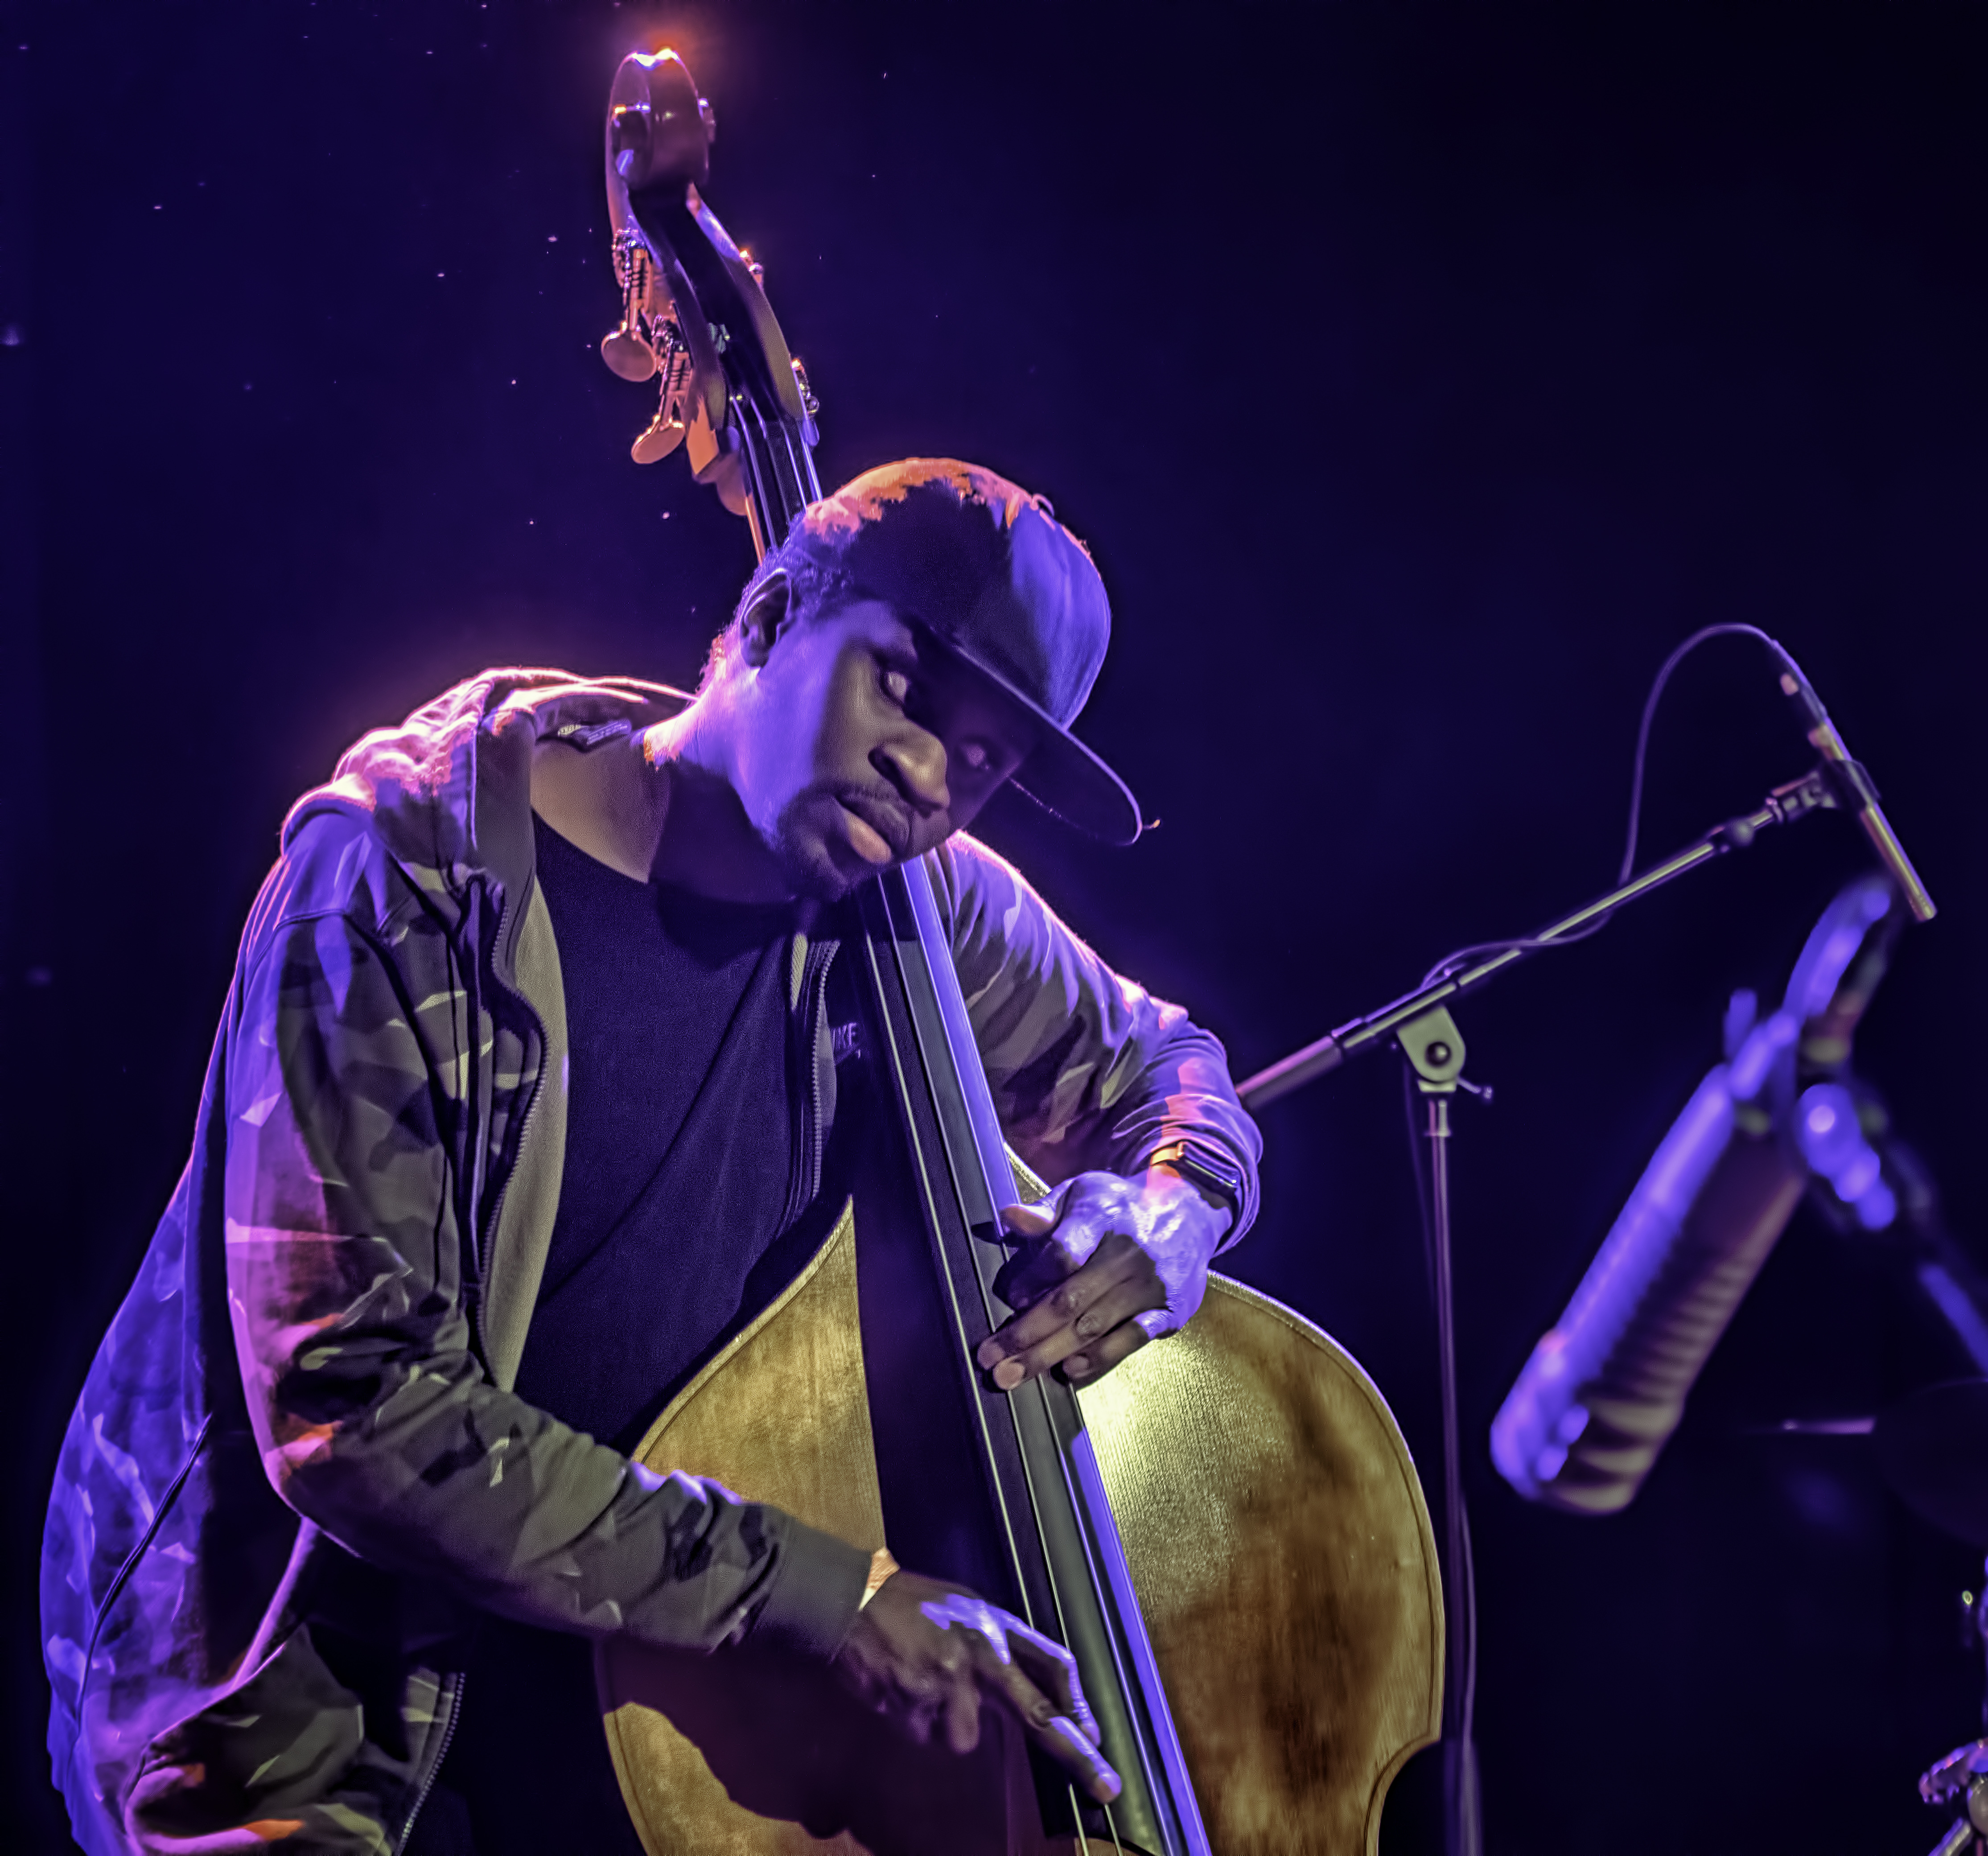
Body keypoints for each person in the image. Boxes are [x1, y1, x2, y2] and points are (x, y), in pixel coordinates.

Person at [40, 459, 1261, 1855]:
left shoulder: (916, 914)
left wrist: (1175, 1206)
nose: (926, 775)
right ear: (771, 615)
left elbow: (1172, 1072)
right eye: (905, 691)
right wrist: (836, 1600)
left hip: (659, 1727)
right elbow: (356, 1416)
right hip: (333, 1738)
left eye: (981, 762)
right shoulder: (405, 877)